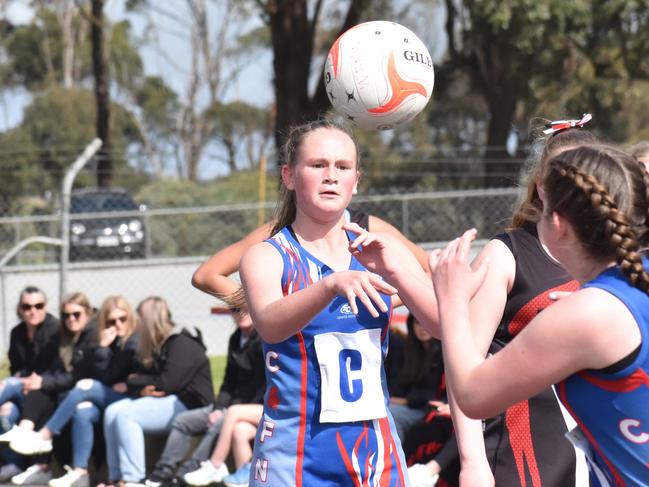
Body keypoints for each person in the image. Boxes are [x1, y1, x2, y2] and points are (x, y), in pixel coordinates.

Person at [347, 120, 597, 487]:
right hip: (523, 453)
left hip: (597, 451)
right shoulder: (508, 255)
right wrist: (472, 461)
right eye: (561, 178)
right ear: (541, 187)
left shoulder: (607, 255)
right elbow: (464, 363)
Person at [430, 144, 649, 486]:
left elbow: (472, 395)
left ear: (558, 224)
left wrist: (452, 302)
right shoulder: (619, 294)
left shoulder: (590, 313)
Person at [239, 119, 409, 486]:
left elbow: (443, 320)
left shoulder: (381, 249)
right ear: (288, 175)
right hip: (295, 457)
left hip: (375, 455)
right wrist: (330, 285)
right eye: (318, 165)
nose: (331, 176)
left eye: (342, 167)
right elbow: (269, 323)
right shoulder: (269, 256)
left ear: (357, 179)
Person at [8, 296, 140, 487]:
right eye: (111, 321)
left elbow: (104, 376)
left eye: (122, 319)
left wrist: (104, 351)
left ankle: (45, 436)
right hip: (103, 395)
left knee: (84, 386)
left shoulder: (130, 340)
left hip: (127, 398)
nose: (117, 324)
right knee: (82, 410)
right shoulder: (104, 338)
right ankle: (80, 472)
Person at [144, 302, 264, 486]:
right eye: (235, 309)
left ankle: (207, 466)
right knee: (184, 420)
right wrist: (218, 408)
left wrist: (231, 409)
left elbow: (261, 385)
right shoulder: (235, 339)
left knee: (228, 417)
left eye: (246, 308)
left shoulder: (263, 340)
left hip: (258, 406)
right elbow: (228, 382)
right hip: (235, 408)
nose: (241, 313)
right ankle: (163, 473)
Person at [102, 296, 214, 486]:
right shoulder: (162, 342)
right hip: (171, 400)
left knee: (126, 415)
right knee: (112, 412)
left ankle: (132, 478)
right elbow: (152, 379)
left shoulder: (181, 341)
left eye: (141, 320)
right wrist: (140, 385)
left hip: (192, 404)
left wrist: (135, 381)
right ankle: (116, 477)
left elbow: (167, 384)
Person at [0, 292, 98, 486]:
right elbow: (49, 369)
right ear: (20, 309)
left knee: (76, 405)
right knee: (14, 401)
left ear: (87, 313)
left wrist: (41, 381)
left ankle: (43, 440)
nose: (71, 319)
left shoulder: (87, 335)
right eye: (66, 315)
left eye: (76, 314)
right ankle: (34, 455)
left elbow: (79, 375)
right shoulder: (63, 335)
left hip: (86, 390)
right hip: (56, 388)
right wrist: (38, 380)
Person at [0, 287, 59, 482]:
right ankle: (14, 464)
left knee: (7, 385)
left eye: (38, 306)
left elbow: (52, 370)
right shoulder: (17, 333)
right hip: (23, 386)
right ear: (20, 309)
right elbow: (17, 367)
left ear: (45, 307)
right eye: (27, 306)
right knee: (7, 413)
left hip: (44, 389)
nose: (33, 311)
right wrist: (24, 380)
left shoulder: (54, 329)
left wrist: (29, 380)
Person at [182, 403, 263, 487]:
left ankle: (215, 465)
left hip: (275, 413)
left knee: (233, 411)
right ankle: (248, 481)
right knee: (240, 430)